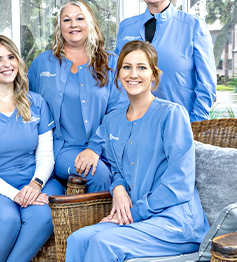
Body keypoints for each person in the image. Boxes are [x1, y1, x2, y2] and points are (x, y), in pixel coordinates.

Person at [65, 40, 209, 262]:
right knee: (77, 239)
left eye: (142, 67)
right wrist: (119, 189)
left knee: (105, 243)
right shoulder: (112, 120)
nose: (134, 74)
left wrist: (135, 212)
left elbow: (180, 182)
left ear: (154, 75)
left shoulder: (172, 115)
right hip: (137, 220)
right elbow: (116, 169)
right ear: (119, 75)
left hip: (175, 223)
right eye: (127, 67)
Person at [0, 34, 64, 262]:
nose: (6, 64)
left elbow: (46, 155)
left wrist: (35, 185)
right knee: (6, 219)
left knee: (42, 216)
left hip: (34, 180)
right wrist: (14, 194)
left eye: (11, 57)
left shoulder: (36, 103)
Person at [29, 0, 125, 192]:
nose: (73, 24)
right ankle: (99, 223)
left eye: (79, 18)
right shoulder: (42, 64)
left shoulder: (111, 63)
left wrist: (94, 148)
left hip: (106, 146)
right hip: (61, 149)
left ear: (89, 23)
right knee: (97, 175)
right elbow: (27, 106)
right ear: (59, 27)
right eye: (67, 20)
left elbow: (119, 112)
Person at [115, 0, 216, 122]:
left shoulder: (193, 25)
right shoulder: (126, 27)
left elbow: (207, 83)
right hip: (134, 121)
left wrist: (195, 122)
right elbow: (118, 76)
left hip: (179, 122)